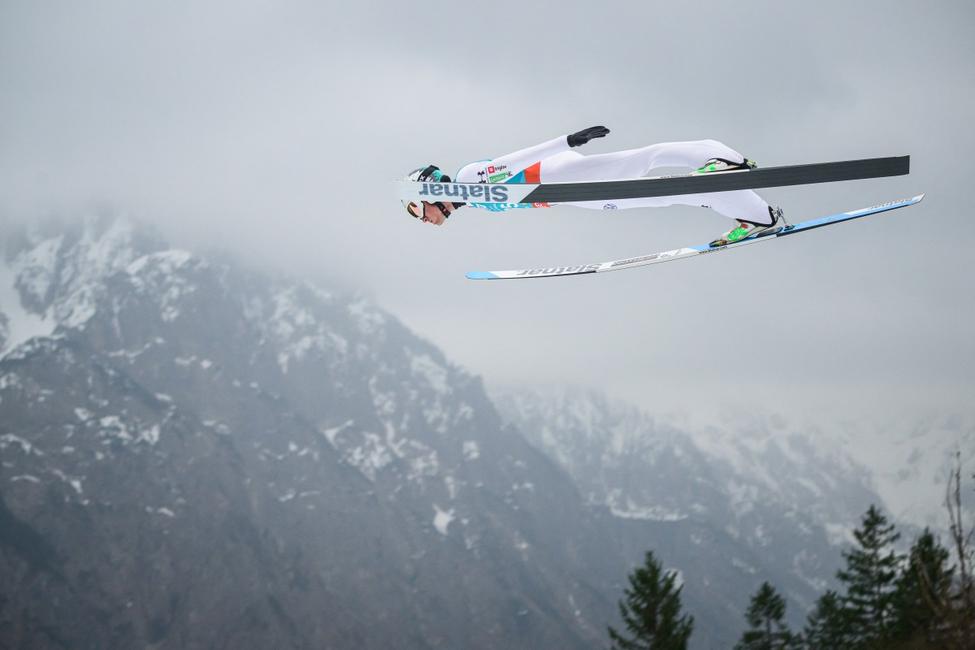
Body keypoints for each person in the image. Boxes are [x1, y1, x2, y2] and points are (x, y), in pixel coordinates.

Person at [402, 126, 784, 247]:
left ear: (429, 193)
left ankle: (724, 156)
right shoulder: (476, 203)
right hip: (570, 195)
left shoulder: (469, 179)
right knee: (668, 192)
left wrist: (566, 141)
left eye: (418, 210)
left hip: (564, 177)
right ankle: (757, 216)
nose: (423, 219)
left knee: (642, 161)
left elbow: (516, 160)